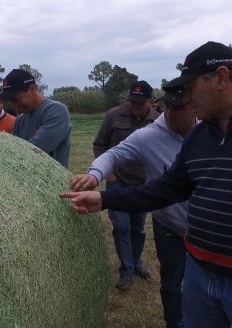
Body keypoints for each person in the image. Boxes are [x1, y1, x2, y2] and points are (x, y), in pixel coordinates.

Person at [60, 41, 232, 327]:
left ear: (221, 78)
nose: (187, 99)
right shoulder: (201, 136)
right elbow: (167, 189)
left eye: (191, 87)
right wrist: (105, 200)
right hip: (198, 278)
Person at [70, 90, 197, 327]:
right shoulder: (149, 135)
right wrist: (95, 175)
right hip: (169, 226)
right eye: (167, 106)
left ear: (196, 108)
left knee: (201, 287)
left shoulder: (210, 132)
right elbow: (113, 155)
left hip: (206, 230)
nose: (170, 113)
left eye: (178, 108)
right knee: (171, 284)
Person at [92, 80, 160, 290]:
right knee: (121, 226)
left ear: (151, 101)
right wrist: (110, 175)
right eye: (132, 102)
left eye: (141, 103)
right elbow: (100, 145)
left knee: (138, 227)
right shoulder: (113, 115)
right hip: (117, 181)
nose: (136, 106)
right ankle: (126, 269)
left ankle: (137, 263)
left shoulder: (159, 121)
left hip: (143, 183)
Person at [0, 69, 71, 168]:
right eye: (11, 101)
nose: (14, 105)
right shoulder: (19, 120)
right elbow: (13, 151)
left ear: (32, 89)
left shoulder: (56, 111)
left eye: (16, 99)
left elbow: (37, 149)